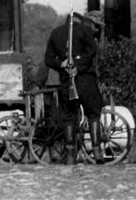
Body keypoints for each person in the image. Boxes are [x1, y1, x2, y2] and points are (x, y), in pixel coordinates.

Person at [44, 11, 105, 165]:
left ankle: (71, 154)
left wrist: (62, 64)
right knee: (93, 113)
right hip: (86, 79)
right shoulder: (85, 30)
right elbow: (92, 51)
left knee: (69, 116)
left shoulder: (56, 33)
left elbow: (48, 59)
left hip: (66, 80)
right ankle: (97, 152)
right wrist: (78, 66)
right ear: (79, 21)